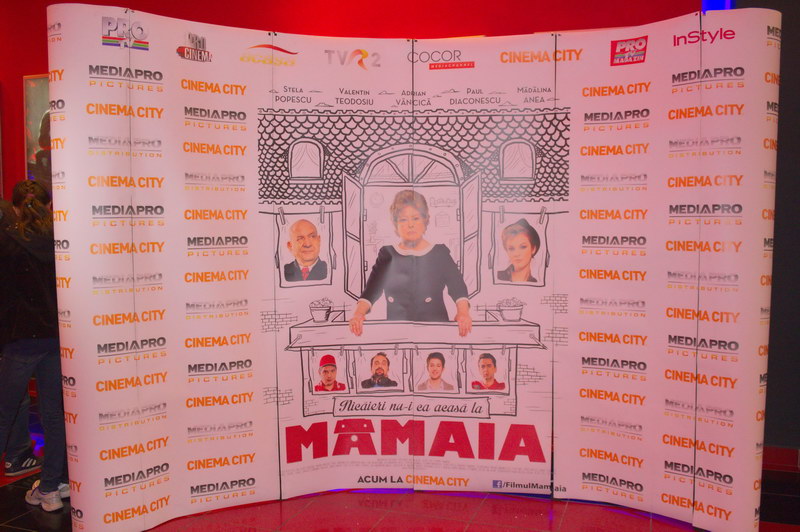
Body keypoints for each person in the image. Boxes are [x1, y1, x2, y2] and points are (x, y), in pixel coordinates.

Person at [0, 180, 68, 511]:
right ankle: (51, 488)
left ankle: (48, 484)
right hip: (55, 337)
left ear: (15, 207)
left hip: (20, 340)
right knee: (53, 415)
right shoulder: (61, 242)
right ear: (49, 206)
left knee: (4, 411)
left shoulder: (7, 241)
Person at [349, 190, 472, 336]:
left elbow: (458, 287)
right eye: (403, 220)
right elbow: (371, 291)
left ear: (425, 220)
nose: (410, 225)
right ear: (395, 224)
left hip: (435, 329)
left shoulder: (440, 253)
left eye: (415, 218)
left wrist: (463, 313)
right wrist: (358, 314)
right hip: (397, 331)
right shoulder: (387, 254)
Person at [0, 199, 41, 477]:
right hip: (12, 336)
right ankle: (16, 454)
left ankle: (17, 453)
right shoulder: (12, 246)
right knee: (13, 400)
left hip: (13, 334)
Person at [497, 218, 540, 283]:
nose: (516, 254)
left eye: (523, 247)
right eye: (511, 248)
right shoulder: (498, 277)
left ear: (533, 249)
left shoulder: (535, 283)